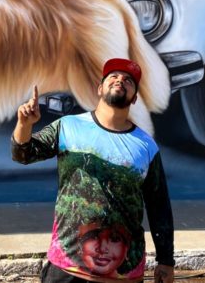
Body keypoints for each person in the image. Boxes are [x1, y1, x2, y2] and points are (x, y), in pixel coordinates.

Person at [12, 58, 175, 283]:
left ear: (134, 97)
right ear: (100, 89)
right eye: (113, 77)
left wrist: (166, 261)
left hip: (122, 274)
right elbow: (23, 154)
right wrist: (24, 125)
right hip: (67, 269)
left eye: (128, 80)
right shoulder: (68, 126)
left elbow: (159, 208)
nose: (120, 81)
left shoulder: (146, 146)